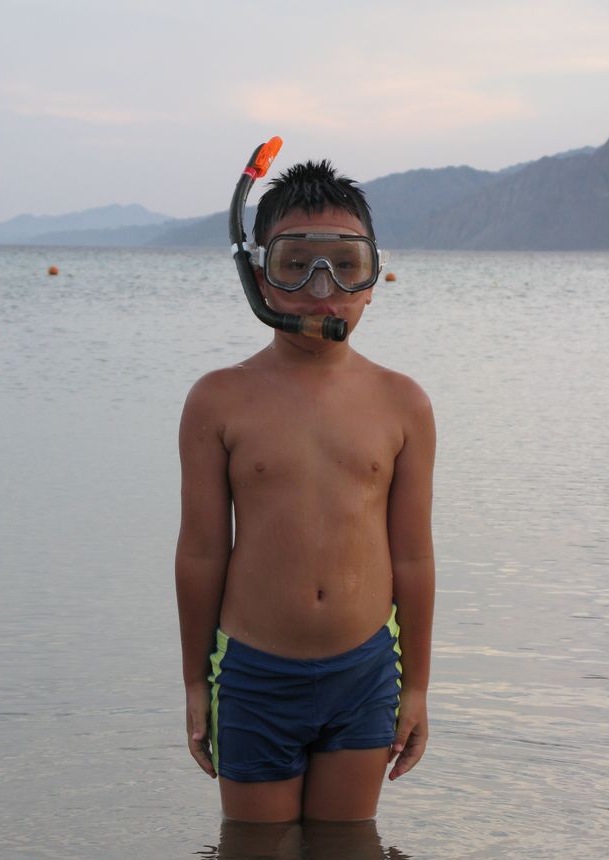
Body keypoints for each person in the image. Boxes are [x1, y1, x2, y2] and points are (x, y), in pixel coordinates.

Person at [175, 159, 435, 823]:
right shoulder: (218, 400)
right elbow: (202, 553)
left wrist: (417, 689)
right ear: (258, 274)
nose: (323, 289)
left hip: (364, 671)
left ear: (373, 279)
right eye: (296, 265)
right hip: (255, 673)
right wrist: (195, 681)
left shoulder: (402, 403)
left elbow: (413, 558)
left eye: (347, 266)